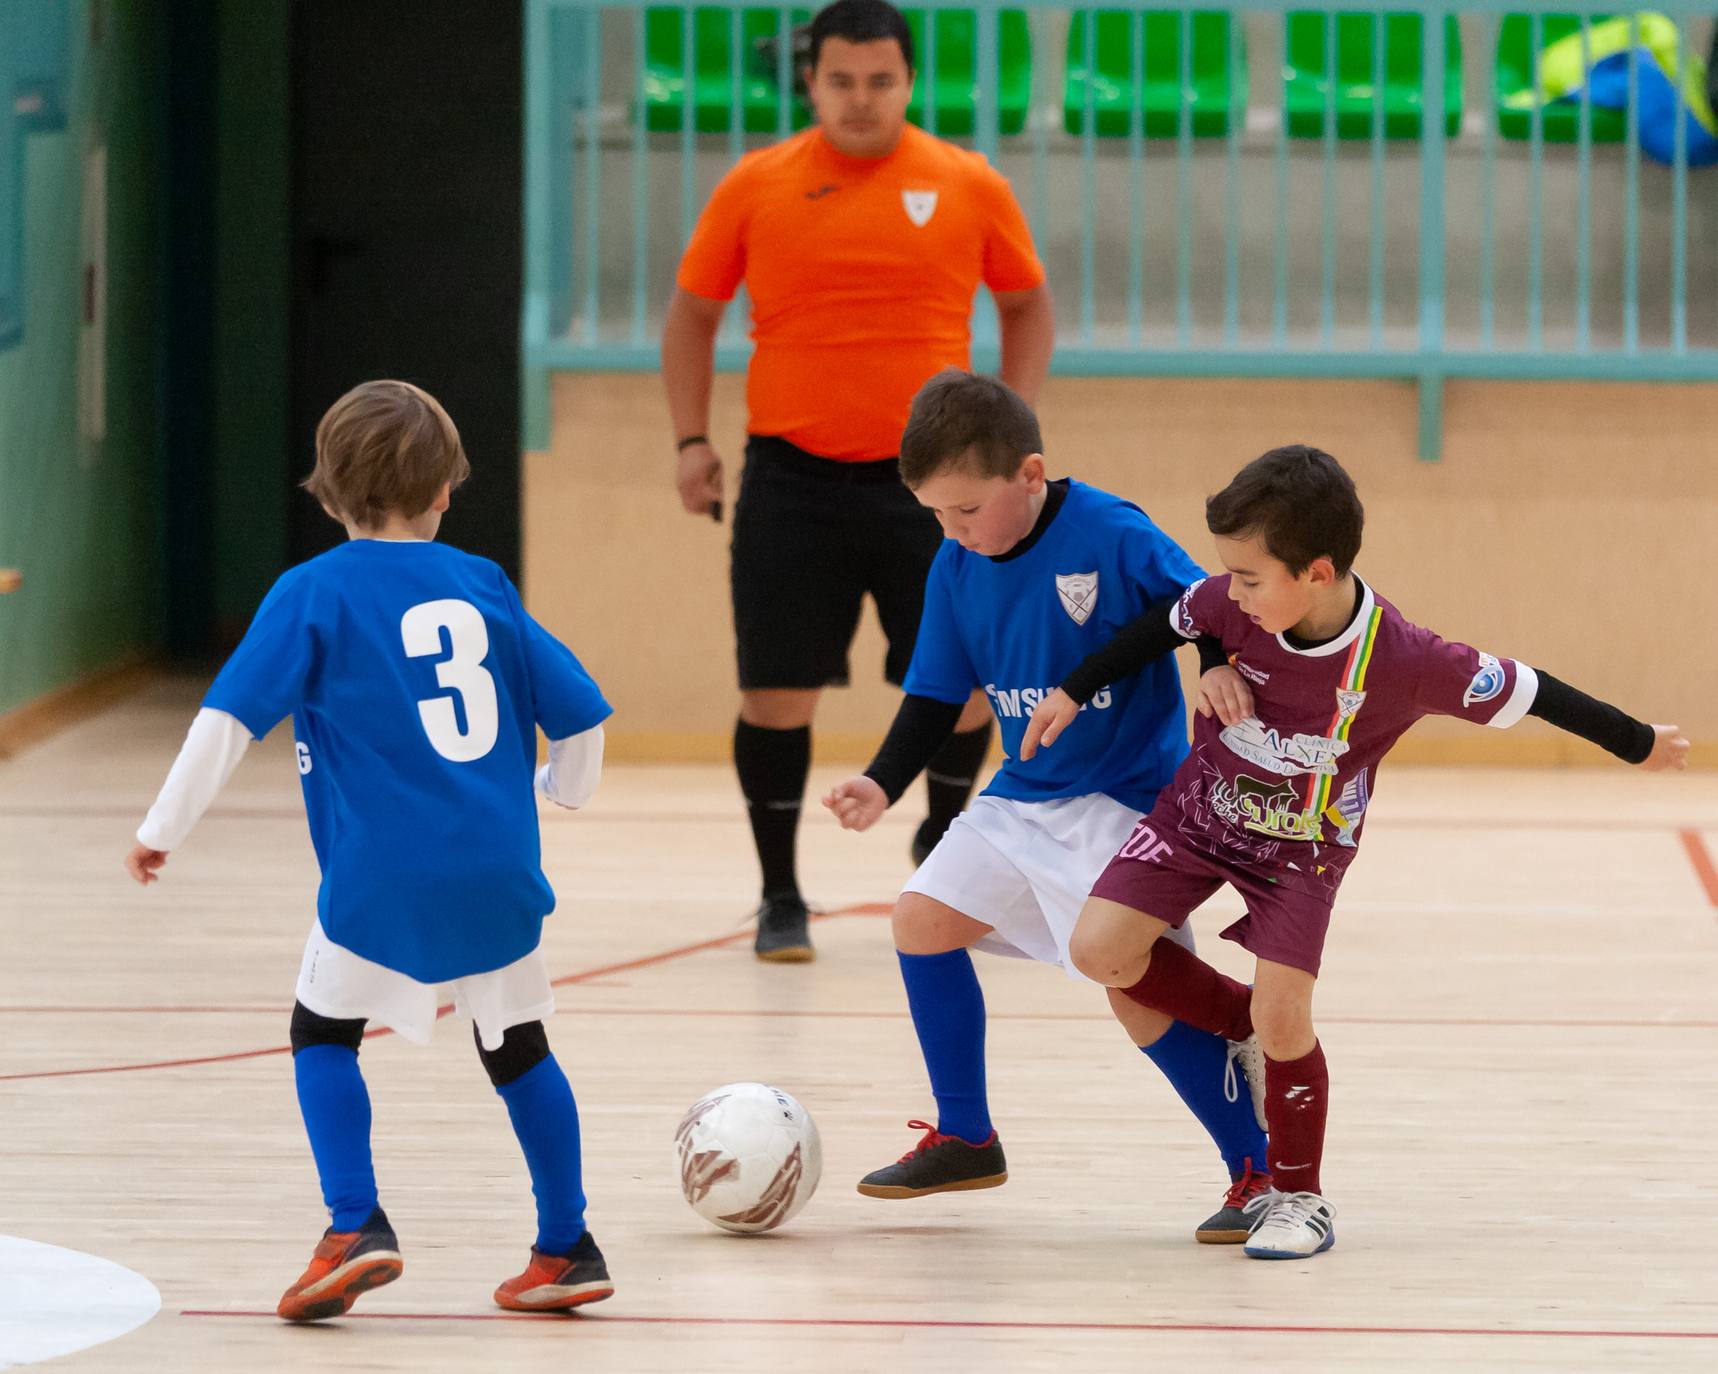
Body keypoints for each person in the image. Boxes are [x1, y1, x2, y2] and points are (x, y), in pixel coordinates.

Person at [1021, 443, 1690, 1259]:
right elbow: (1169, 620)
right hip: (1200, 814)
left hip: (1302, 853)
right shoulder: (1236, 606)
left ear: (1318, 572)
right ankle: (1244, 1026)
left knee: (1286, 1014)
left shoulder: (1407, 660)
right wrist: (1079, 684)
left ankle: (1300, 1199)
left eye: (1249, 578)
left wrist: (1637, 743)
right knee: (1098, 951)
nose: (1229, 593)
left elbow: (1534, 689)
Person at [123, 381, 617, 1320]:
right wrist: (563, 790)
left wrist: (160, 831)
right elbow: (584, 708)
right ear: (446, 492)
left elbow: (226, 723)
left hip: (380, 878)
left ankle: (355, 1224)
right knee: (518, 1048)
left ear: (326, 493)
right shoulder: (483, 583)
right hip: (500, 874)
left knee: (323, 1034)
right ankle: (567, 1245)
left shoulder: (311, 592)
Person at [823, 370, 1274, 1241]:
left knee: (1135, 991)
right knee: (920, 919)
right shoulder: (957, 565)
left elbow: (1202, 603)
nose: (951, 532)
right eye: (935, 517)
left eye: (965, 510)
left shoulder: (1111, 531)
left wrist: (1214, 660)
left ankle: (1253, 1161)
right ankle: (966, 1134)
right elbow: (933, 693)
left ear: (1029, 476)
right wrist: (883, 780)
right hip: (1021, 798)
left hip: (1124, 800)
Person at [661, 0, 1055, 962]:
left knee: (965, 692)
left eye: (881, 80)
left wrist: (1008, 435)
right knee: (776, 694)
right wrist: (690, 440)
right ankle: (780, 895)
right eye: (841, 80)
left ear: (909, 81)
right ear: (811, 81)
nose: (861, 99)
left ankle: (942, 842)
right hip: (790, 479)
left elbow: (1028, 304)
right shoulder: (758, 184)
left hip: (933, 490)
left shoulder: (965, 181)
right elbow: (691, 318)